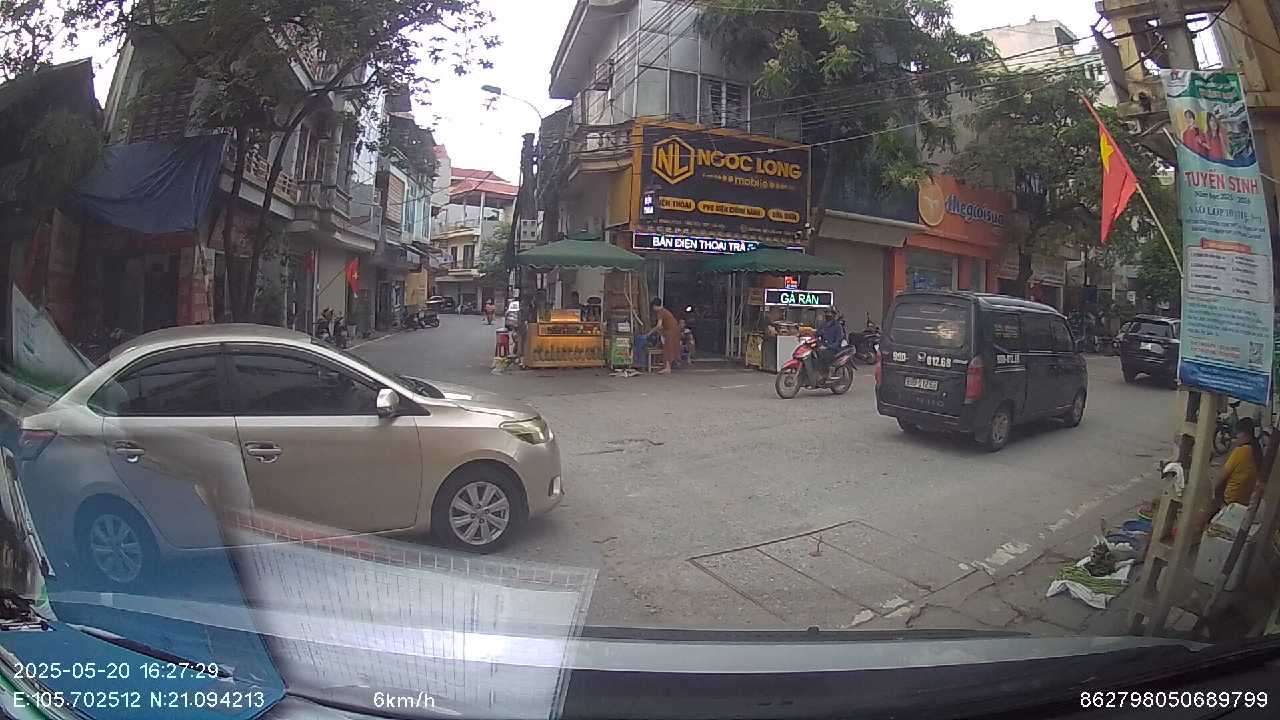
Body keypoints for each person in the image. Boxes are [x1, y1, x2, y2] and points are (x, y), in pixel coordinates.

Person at [1217, 416, 1263, 508]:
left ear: (1243, 434)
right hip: (1247, 500)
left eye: (1237, 433)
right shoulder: (1257, 449)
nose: (1236, 437)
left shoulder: (1240, 451)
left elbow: (1222, 477)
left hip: (1231, 499)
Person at [650, 297, 680, 374]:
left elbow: (659, 325)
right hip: (672, 330)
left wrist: (650, 332)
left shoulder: (660, 312)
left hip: (671, 331)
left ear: (654, 306)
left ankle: (668, 368)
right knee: (668, 348)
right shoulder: (664, 311)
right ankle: (667, 366)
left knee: (668, 348)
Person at [815, 311, 844, 376]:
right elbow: (817, 334)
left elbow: (838, 341)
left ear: (833, 315)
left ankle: (825, 374)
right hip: (823, 346)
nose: (828, 314)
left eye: (830, 313)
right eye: (827, 313)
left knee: (823, 355)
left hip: (833, 349)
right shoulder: (823, 324)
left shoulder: (838, 326)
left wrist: (828, 347)